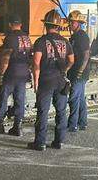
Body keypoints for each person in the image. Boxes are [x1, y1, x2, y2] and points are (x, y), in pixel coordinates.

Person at [29, 9, 74, 151]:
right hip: (60, 80)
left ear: (46, 26)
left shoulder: (41, 41)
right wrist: (64, 70)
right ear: (58, 26)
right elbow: (72, 60)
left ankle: (40, 143)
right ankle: (59, 141)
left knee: (43, 112)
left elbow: (36, 62)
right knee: (61, 111)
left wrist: (35, 81)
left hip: (46, 81)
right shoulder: (65, 42)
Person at [0, 14, 32, 136]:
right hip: (23, 72)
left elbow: (6, 57)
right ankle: (17, 126)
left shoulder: (10, 37)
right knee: (20, 99)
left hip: (11, 72)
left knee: (3, 97)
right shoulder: (27, 37)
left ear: (9, 25)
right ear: (21, 24)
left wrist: (1, 74)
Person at [64, 10, 92, 134]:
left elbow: (86, 54)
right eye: (70, 22)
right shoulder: (74, 36)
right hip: (76, 71)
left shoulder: (82, 36)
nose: (70, 24)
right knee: (80, 98)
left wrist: (80, 70)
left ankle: (72, 124)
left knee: (74, 98)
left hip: (79, 73)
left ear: (78, 23)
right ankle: (82, 122)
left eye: (73, 22)